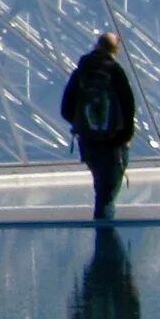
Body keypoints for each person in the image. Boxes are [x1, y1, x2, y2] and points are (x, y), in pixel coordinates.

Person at [59, 32, 137, 218]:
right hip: (113, 145)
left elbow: (65, 109)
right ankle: (106, 240)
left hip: (88, 142)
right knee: (106, 198)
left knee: (100, 189)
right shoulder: (115, 72)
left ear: (97, 45)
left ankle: (102, 237)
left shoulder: (81, 71)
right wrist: (123, 138)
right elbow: (128, 108)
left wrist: (84, 126)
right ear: (116, 49)